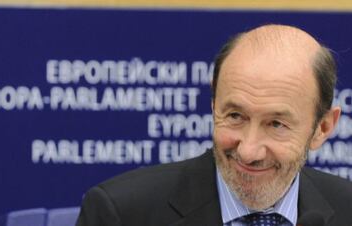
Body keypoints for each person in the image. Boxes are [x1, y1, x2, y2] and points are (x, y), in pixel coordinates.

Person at [75, 24, 352, 226]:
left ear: (323, 128)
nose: (248, 151)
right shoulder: (121, 214)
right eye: (235, 116)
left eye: (276, 124)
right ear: (213, 105)